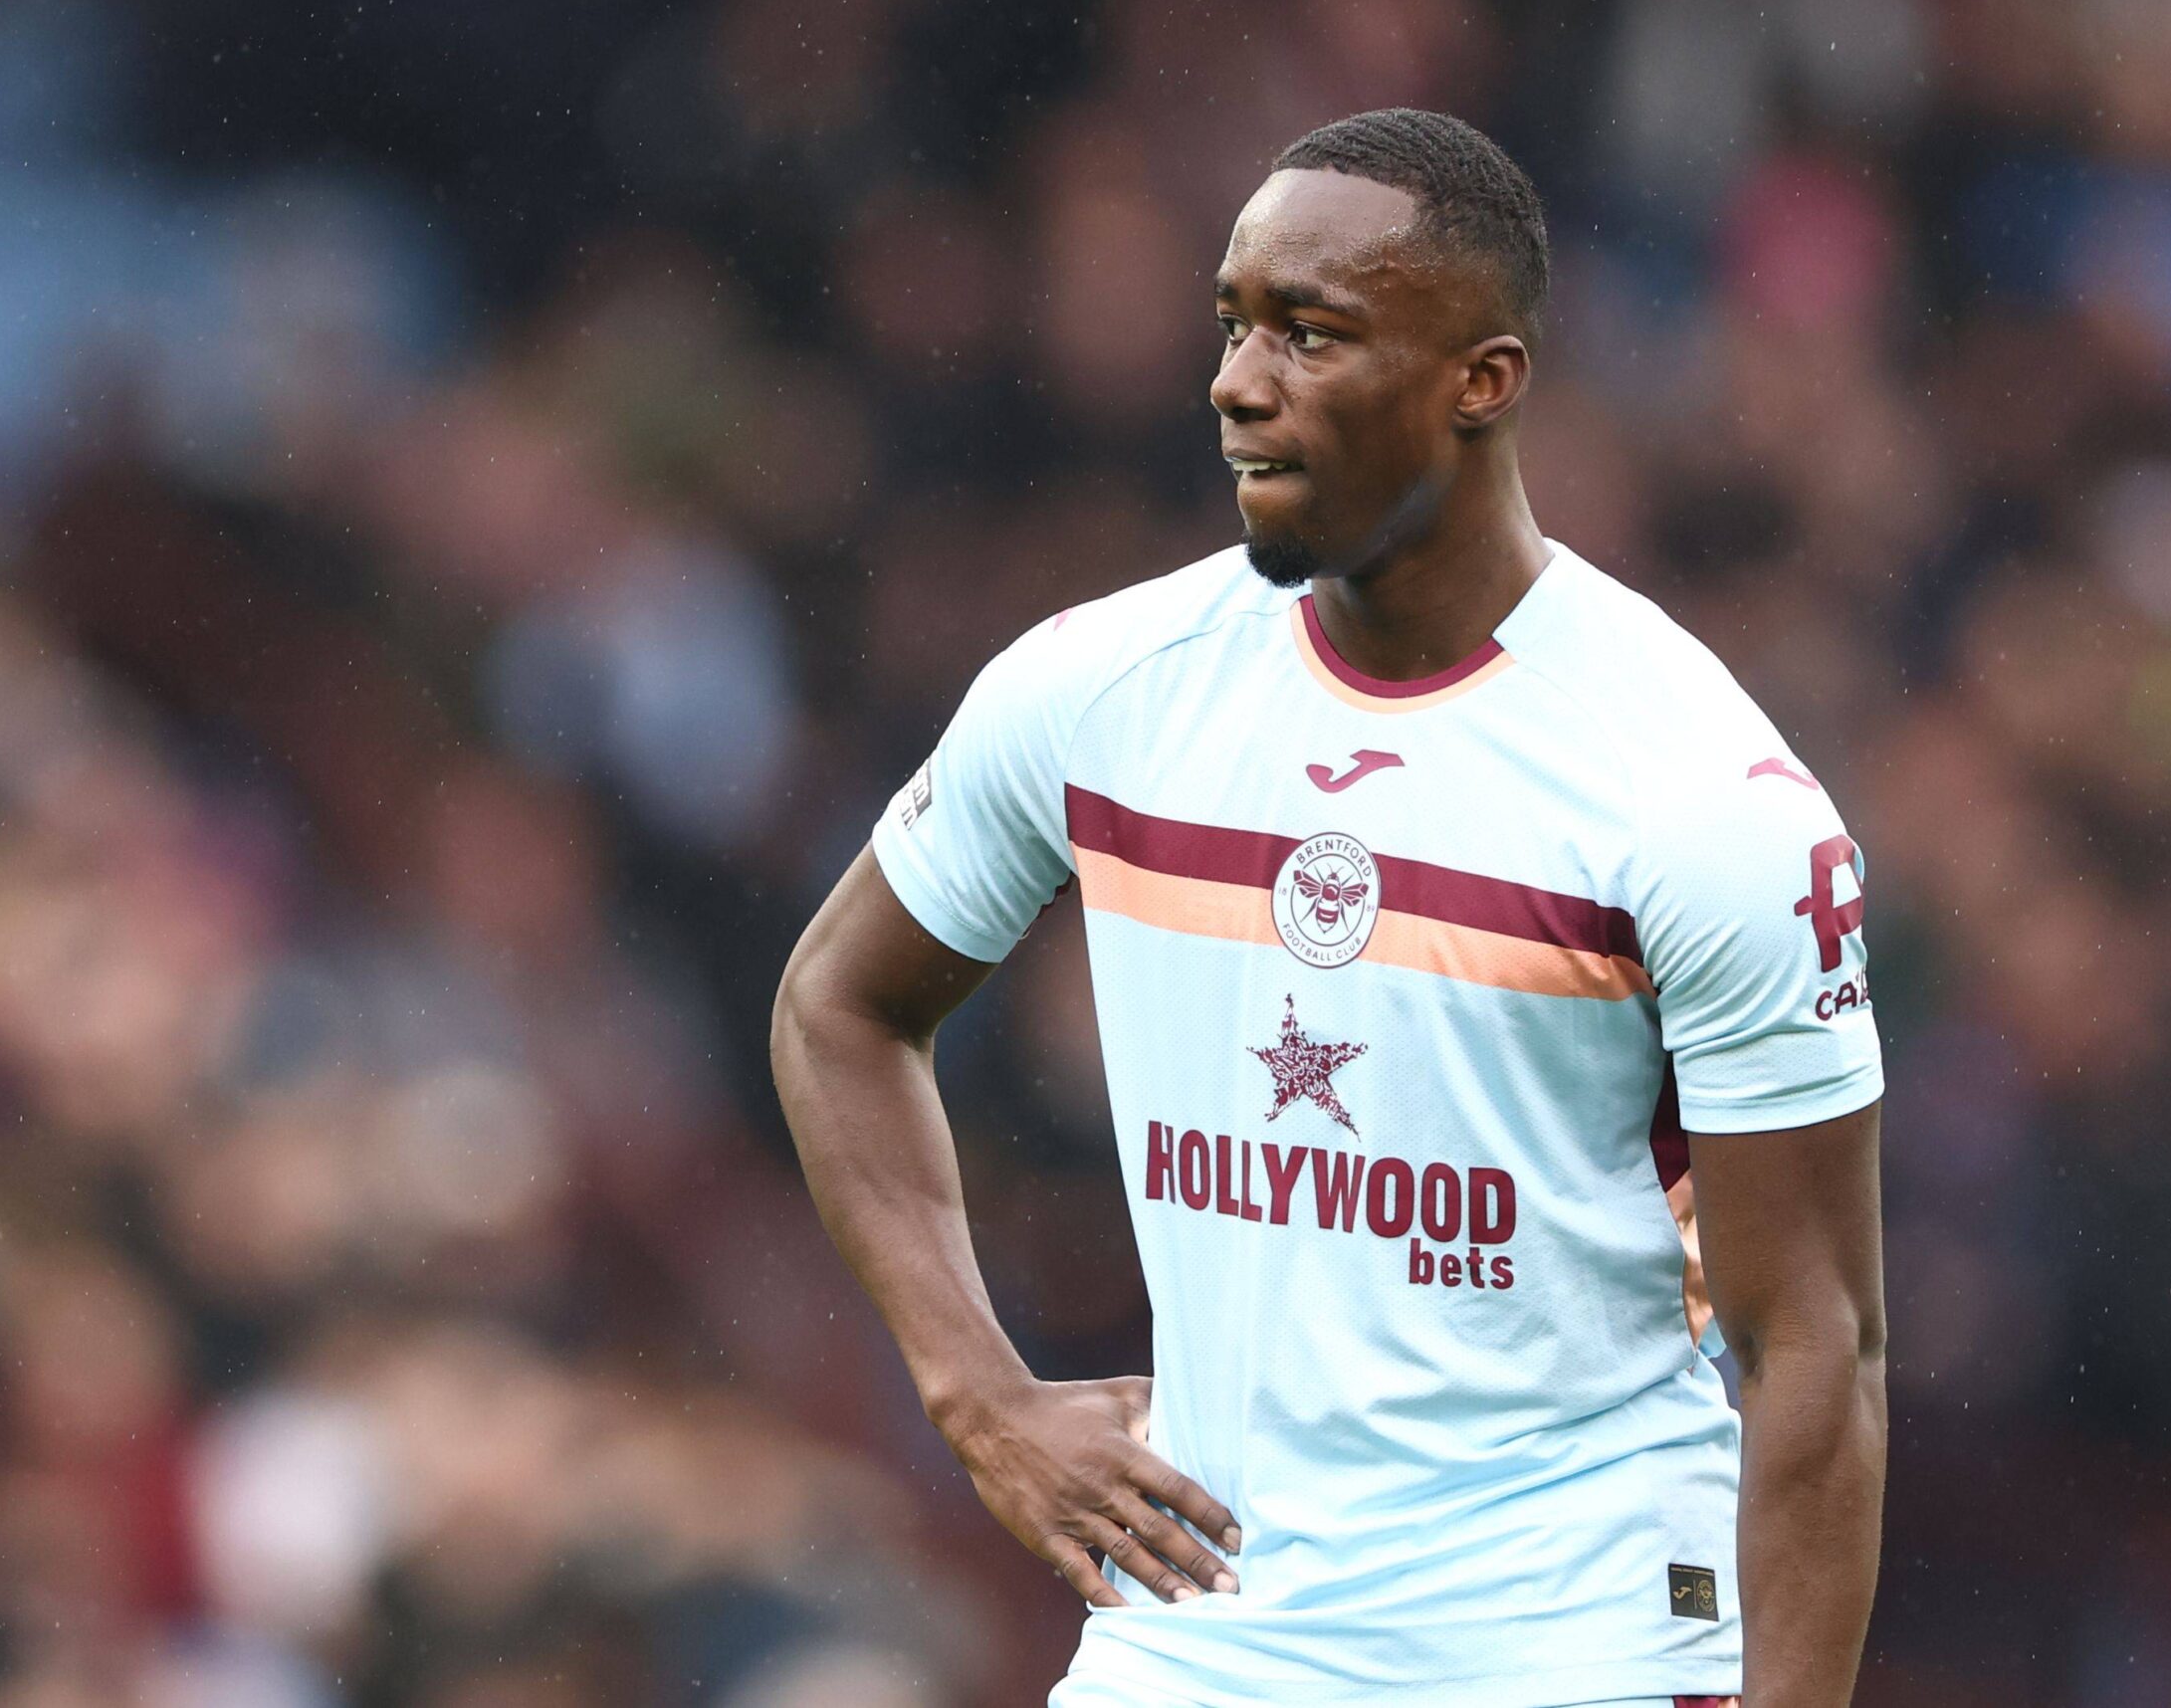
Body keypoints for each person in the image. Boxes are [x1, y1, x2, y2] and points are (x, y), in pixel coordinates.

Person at [771, 107, 1885, 1708]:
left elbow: (1819, 1355)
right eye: (1232, 324)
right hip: (1204, 1628)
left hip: (1570, 1641)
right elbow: (841, 1005)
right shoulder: (1105, 691)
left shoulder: (1698, 797)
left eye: (1310, 333)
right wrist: (982, 1399)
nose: (1236, 380)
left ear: (1481, 381)